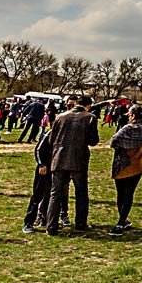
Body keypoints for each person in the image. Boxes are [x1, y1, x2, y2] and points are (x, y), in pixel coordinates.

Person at [45, 95, 99, 234]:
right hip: (78, 159)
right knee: (81, 192)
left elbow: (51, 139)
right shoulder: (90, 117)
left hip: (59, 158)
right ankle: (81, 223)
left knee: (55, 193)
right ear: (88, 105)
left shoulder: (60, 116)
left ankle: (51, 226)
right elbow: (93, 141)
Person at [109, 105, 142, 236]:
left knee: (121, 194)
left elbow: (113, 141)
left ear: (133, 115)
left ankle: (121, 222)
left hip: (123, 163)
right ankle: (123, 220)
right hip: (138, 162)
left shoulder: (128, 128)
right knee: (129, 194)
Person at [22, 129, 70, 233]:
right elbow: (38, 149)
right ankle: (28, 222)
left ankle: (46, 218)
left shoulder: (69, 134)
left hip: (57, 168)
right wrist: (41, 164)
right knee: (38, 195)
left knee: (52, 195)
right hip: (45, 168)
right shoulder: (52, 132)